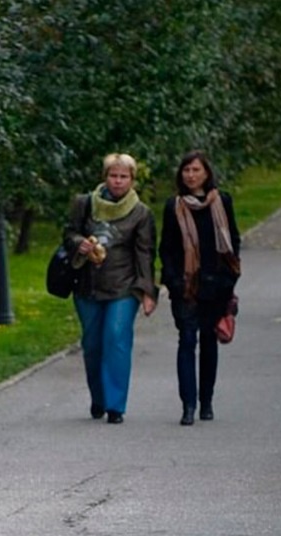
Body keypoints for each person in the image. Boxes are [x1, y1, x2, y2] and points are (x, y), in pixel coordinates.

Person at [63, 152, 158, 424]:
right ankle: (99, 398)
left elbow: (145, 253)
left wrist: (147, 291)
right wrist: (79, 243)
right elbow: (69, 233)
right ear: (105, 177)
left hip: (124, 288)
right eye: (113, 176)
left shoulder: (141, 213)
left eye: (123, 176)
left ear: (132, 180)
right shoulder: (84, 204)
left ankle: (116, 405)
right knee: (92, 344)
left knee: (116, 338)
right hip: (88, 286)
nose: (118, 181)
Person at [159, 151, 241, 426]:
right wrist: (173, 281)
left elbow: (233, 241)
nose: (191, 175)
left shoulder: (222, 202)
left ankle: (206, 401)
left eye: (196, 170)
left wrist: (228, 279)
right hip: (185, 286)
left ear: (206, 173)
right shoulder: (174, 206)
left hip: (216, 285)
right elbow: (167, 248)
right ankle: (188, 405)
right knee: (186, 340)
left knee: (208, 341)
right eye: (186, 170)